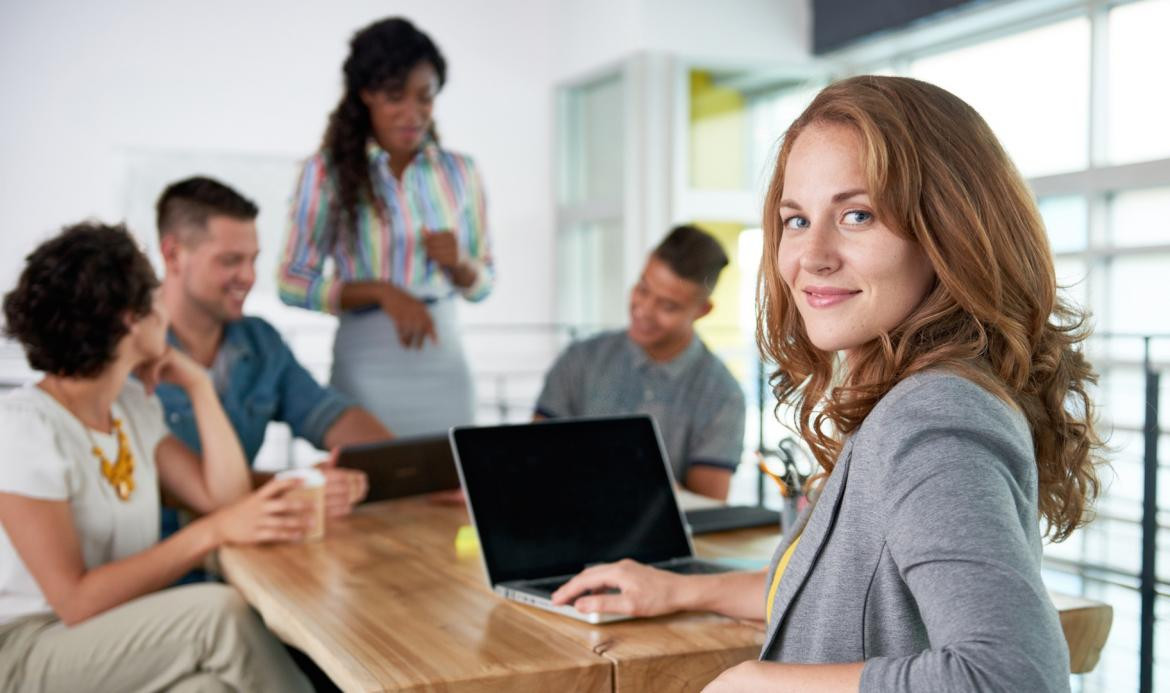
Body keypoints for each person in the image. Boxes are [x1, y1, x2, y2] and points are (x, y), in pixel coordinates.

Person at [551, 75, 1102, 692]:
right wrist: (678, 588)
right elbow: (826, 594)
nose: (811, 255)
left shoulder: (933, 417)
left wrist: (757, 684)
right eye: (795, 219)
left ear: (948, 232)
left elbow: (1011, 678)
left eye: (857, 215)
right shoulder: (905, 402)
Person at [0, 222, 314, 691]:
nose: (165, 307)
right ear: (131, 317)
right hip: (30, 649)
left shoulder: (131, 408)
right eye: (155, 295)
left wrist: (199, 386)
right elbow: (75, 602)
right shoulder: (24, 427)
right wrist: (208, 535)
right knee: (219, 613)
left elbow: (222, 499)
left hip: (122, 638)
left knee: (212, 690)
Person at [278, 17, 494, 437]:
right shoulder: (325, 173)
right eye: (396, 97)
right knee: (370, 488)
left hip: (443, 359)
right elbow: (290, 281)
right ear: (366, 95)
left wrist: (462, 264)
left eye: (425, 97)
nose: (413, 114)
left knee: (452, 489)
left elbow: (484, 284)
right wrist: (383, 292)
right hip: (367, 361)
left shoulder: (460, 173)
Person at [156, 176, 388, 525]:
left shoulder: (260, 342)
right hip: (166, 566)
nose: (249, 277)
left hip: (245, 555)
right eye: (230, 260)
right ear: (173, 254)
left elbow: (329, 414)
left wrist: (414, 465)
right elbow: (162, 483)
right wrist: (301, 486)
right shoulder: (128, 350)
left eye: (253, 260)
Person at [535, 225, 745, 500]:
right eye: (642, 289)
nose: (644, 310)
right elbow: (535, 460)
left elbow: (709, 508)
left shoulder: (722, 394)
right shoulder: (580, 360)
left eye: (668, 306)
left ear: (702, 311)